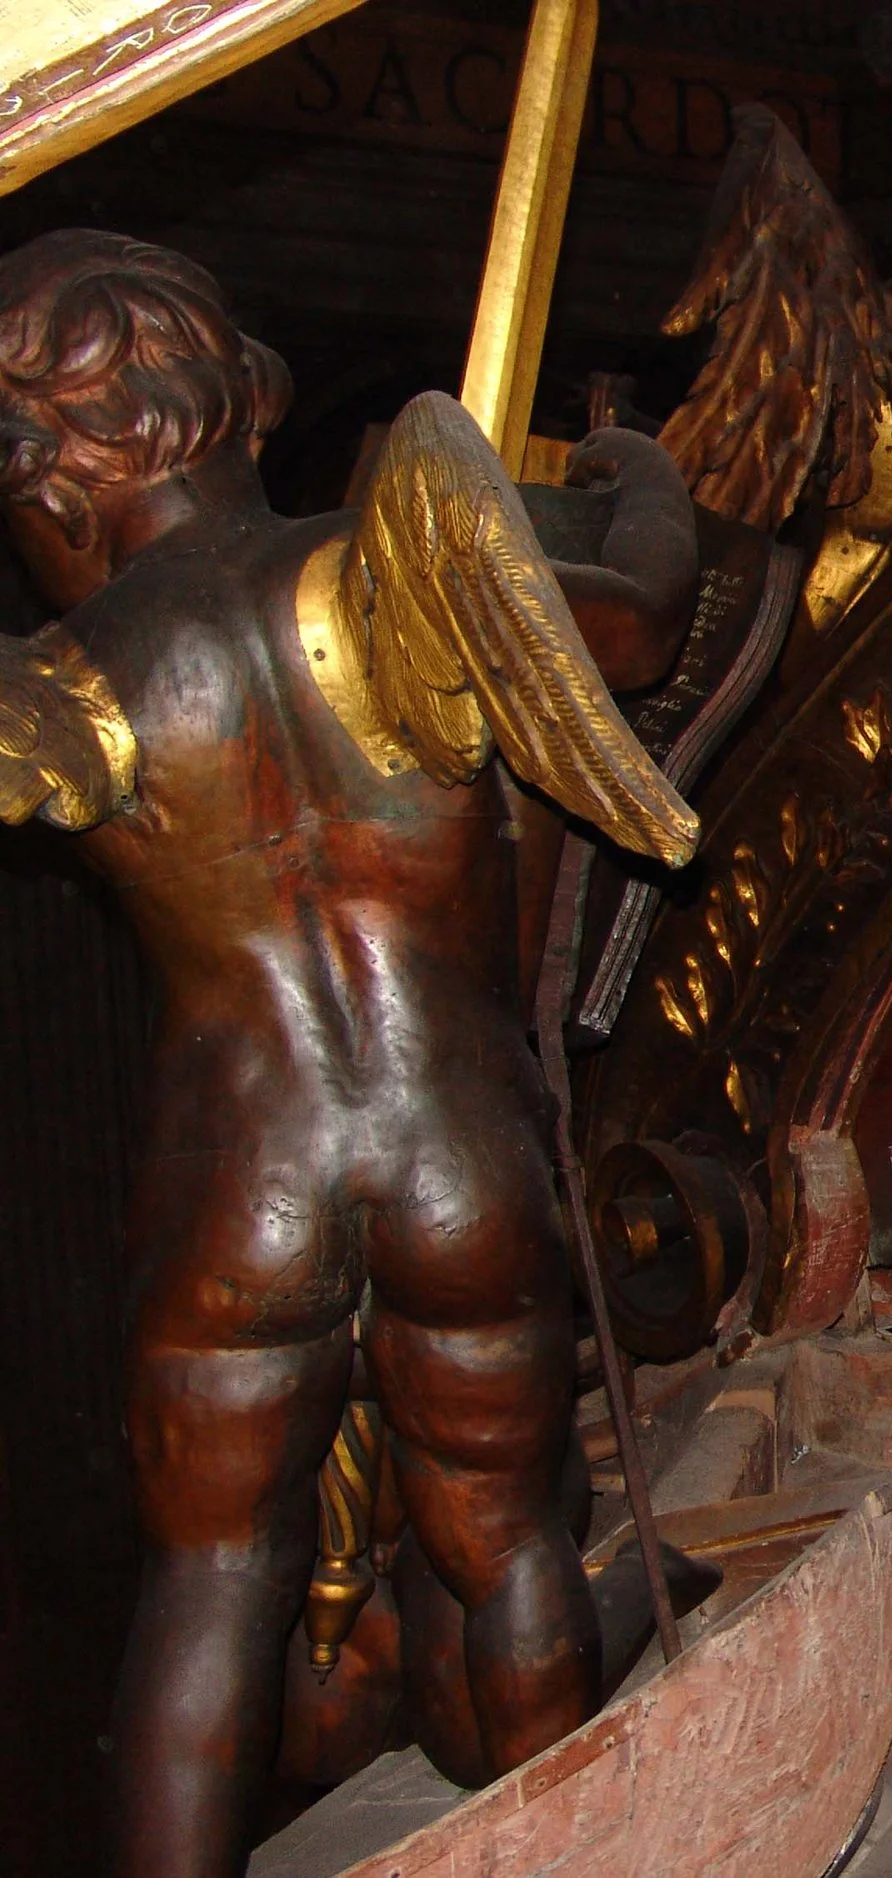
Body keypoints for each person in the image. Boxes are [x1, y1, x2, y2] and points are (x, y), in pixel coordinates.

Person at [0, 230, 698, 1874]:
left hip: (236, 1182)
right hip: (458, 1147)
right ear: (232, 402)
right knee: (509, 1535)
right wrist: (639, 465)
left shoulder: (76, 674)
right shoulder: (376, 578)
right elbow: (645, 619)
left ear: (63, 470)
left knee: (210, 1581)